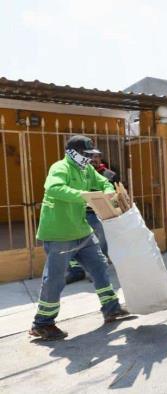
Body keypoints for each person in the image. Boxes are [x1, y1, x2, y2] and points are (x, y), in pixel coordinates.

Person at [29, 135, 130, 341]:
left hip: (82, 231)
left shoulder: (87, 170)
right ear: (73, 153)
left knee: (100, 266)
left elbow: (105, 182)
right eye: (86, 154)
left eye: (91, 155)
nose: (90, 159)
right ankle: (43, 324)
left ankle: (111, 309)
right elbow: (54, 188)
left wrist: (108, 194)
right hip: (60, 233)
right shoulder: (60, 168)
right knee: (55, 278)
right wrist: (85, 196)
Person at [65, 150, 118, 284]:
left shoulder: (108, 173)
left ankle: (98, 267)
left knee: (101, 240)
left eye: (97, 157)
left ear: (101, 158)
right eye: (91, 157)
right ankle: (76, 270)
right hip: (79, 212)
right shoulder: (79, 173)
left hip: (98, 213)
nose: (94, 159)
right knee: (73, 240)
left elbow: (115, 190)